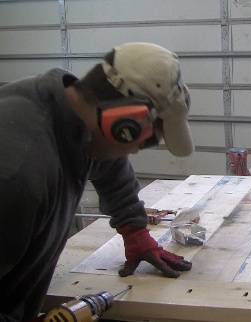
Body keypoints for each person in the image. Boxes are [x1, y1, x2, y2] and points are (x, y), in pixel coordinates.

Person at [0, 42, 194, 321]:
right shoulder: (18, 175)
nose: (136, 149)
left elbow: (111, 166)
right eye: (147, 139)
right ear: (123, 124)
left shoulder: (74, 115)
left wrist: (134, 230)